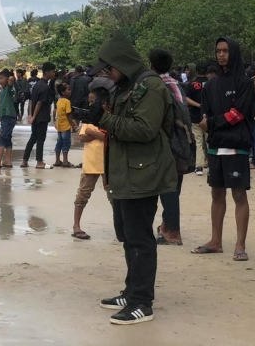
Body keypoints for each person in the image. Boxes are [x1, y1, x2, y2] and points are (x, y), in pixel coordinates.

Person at [90, 32, 177, 325]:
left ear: (122, 63)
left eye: (109, 68)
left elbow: (144, 129)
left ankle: (142, 302)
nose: (107, 74)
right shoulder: (129, 85)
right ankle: (132, 291)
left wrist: (104, 119)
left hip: (144, 172)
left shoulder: (149, 86)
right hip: (126, 172)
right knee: (127, 235)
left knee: (140, 238)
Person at [193, 37, 253, 261]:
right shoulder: (211, 86)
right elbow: (205, 117)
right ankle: (215, 241)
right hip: (216, 147)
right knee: (216, 193)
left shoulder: (245, 83)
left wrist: (214, 123)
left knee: (239, 194)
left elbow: (238, 114)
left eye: (225, 51)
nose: (221, 55)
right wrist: (212, 123)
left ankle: (240, 245)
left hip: (237, 147)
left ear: (233, 53)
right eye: (218, 51)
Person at [149, 48, 185, 247]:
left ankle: (172, 231)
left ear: (150, 65)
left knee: (167, 188)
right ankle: (166, 226)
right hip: (181, 143)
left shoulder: (155, 85)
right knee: (174, 187)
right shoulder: (176, 84)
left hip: (166, 143)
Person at [71, 78, 113, 240]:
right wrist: (102, 135)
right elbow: (83, 137)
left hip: (106, 162)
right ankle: (76, 226)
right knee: (83, 195)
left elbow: (93, 135)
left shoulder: (105, 119)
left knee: (112, 196)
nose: (92, 102)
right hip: (93, 163)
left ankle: (77, 226)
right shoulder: (92, 118)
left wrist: (94, 134)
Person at [20, 62, 56, 169]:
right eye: (53, 72)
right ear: (47, 72)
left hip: (35, 117)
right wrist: (34, 115)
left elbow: (31, 101)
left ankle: (24, 160)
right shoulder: (45, 87)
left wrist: (30, 115)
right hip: (41, 117)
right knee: (41, 139)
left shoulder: (36, 85)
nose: (54, 74)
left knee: (33, 138)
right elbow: (40, 103)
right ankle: (39, 162)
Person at [0, 69, 18, 168]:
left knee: (1, 139)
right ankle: (8, 161)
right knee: (7, 139)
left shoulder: (9, 88)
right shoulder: (4, 89)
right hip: (7, 116)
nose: (0, 80)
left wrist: (9, 76)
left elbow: (11, 79)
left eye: (2, 78)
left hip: (8, 117)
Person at [185, 62, 210, 175]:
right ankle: (213, 166)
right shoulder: (211, 83)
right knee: (210, 141)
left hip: (195, 117)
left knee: (198, 142)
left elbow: (186, 99)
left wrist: (198, 105)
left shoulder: (192, 84)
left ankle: (199, 167)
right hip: (209, 117)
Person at [53, 82, 76, 168]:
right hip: (66, 126)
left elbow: (55, 111)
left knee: (59, 143)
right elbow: (69, 115)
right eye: (68, 90)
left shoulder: (59, 101)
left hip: (59, 126)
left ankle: (57, 160)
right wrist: (73, 125)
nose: (70, 91)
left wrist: (54, 120)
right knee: (66, 143)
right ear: (63, 92)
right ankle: (65, 161)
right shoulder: (67, 101)